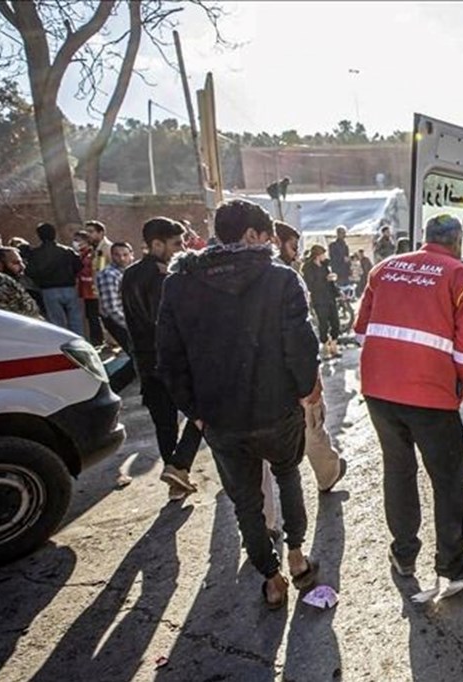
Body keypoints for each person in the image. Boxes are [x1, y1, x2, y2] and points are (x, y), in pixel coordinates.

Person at [157, 199, 322, 610]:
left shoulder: (179, 282)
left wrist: (194, 410)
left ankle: (271, 578)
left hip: (219, 417)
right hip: (276, 409)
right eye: (267, 236)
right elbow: (301, 345)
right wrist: (307, 391)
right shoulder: (280, 280)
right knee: (288, 478)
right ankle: (297, 556)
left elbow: (168, 357)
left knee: (246, 501)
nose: (270, 244)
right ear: (251, 235)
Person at [353, 214, 463, 591]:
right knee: (446, 479)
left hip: (379, 392)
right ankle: (451, 563)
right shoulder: (461, 277)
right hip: (430, 395)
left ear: (424, 237)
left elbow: (362, 330)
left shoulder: (383, 269)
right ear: (458, 241)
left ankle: (404, 554)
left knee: (398, 471)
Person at [122, 218, 204, 500]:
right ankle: (179, 466)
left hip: (145, 361)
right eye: (176, 244)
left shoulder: (130, 274)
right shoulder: (162, 277)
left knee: (164, 423)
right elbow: (167, 322)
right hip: (170, 361)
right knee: (202, 411)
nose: (181, 249)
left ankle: (175, 482)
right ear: (156, 244)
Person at [271, 222, 347, 494]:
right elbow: (298, 335)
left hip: (261, 377)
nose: (295, 253)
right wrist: (311, 379)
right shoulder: (282, 276)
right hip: (288, 371)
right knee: (311, 423)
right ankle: (328, 473)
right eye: (292, 246)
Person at [25, 222, 83, 335]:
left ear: (39, 235)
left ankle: (61, 346)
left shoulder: (35, 253)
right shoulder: (67, 251)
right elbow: (79, 266)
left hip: (48, 290)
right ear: (54, 234)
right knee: (76, 320)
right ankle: (79, 343)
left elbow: (30, 271)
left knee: (57, 323)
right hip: (69, 287)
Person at [95, 241, 137, 392]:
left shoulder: (128, 272)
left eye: (125, 255)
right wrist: (133, 327)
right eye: (117, 255)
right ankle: (109, 390)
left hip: (128, 319)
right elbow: (112, 309)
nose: (122, 258)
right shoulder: (109, 274)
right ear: (112, 256)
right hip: (118, 322)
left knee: (139, 359)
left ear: (131, 255)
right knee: (138, 359)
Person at [302, 244, 342, 359]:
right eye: (323, 254)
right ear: (318, 255)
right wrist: (325, 279)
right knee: (323, 323)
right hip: (319, 298)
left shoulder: (325, 265)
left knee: (335, 322)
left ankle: (334, 346)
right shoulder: (308, 267)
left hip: (330, 297)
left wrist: (337, 290)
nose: (325, 256)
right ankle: (325, 347)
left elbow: (330, 282)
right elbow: (310, 284)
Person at [0, 246, 41, 318]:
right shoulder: (5, 283)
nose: (22, 266)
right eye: (16, 263)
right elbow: (32, 313)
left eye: (22, 262)